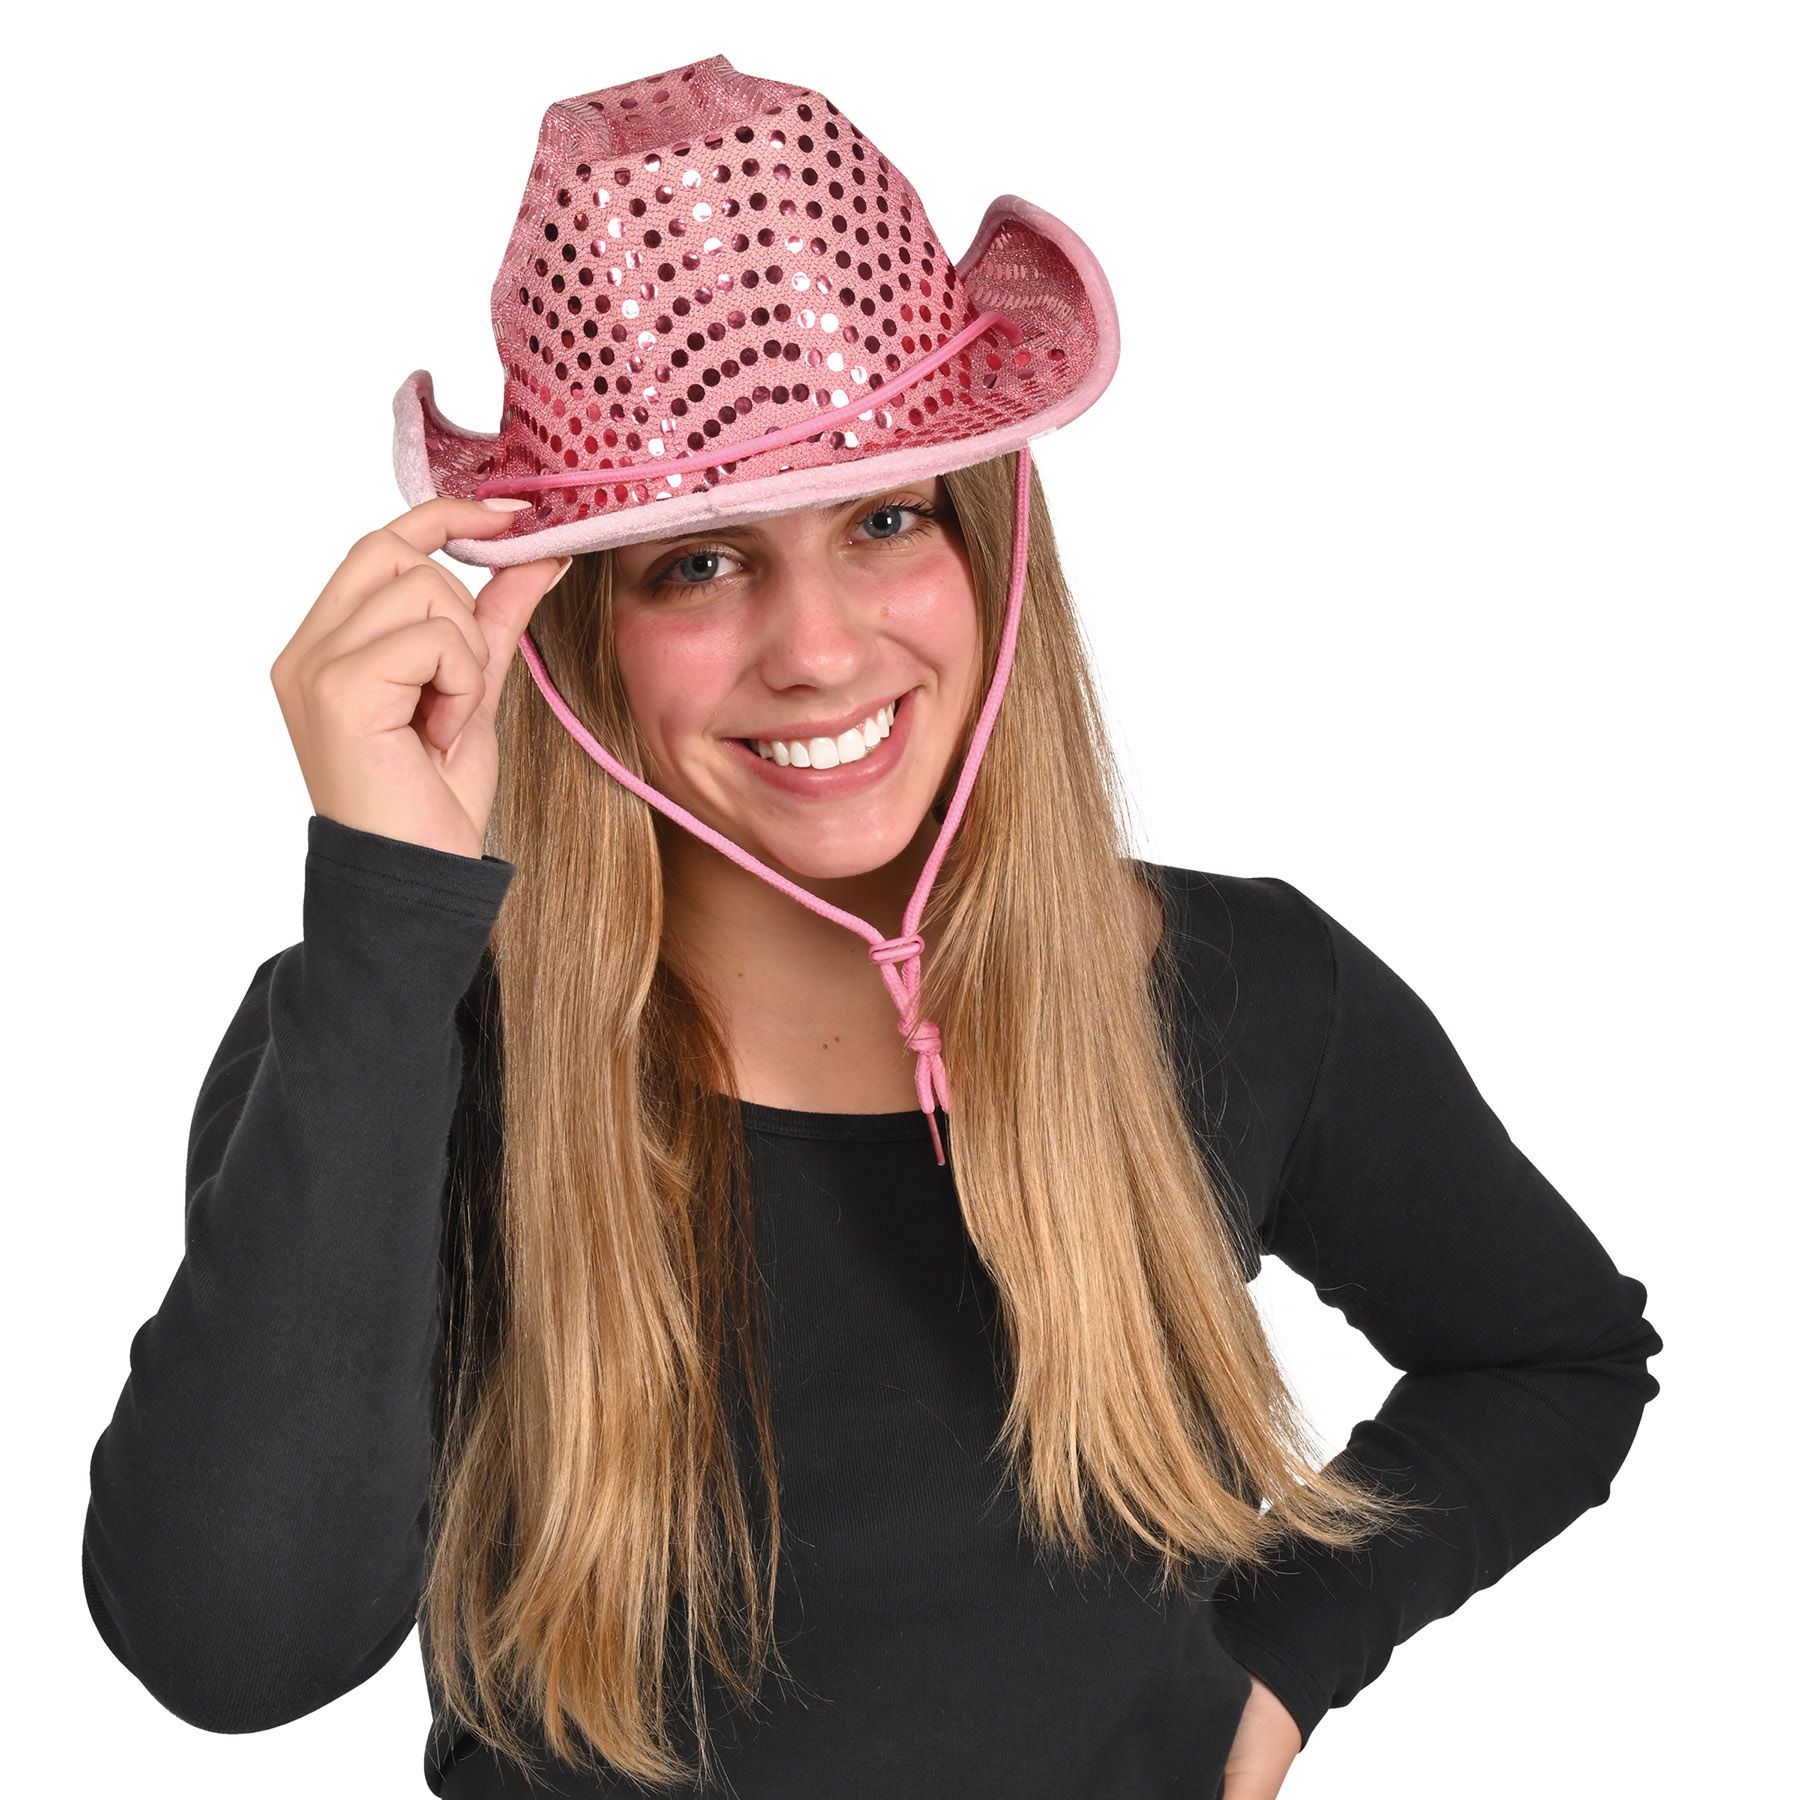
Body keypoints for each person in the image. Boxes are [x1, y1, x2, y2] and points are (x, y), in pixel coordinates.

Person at [80, 55, 1664, 1800]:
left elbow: (1555, 1359)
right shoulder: (401, 1038)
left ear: (992, 550)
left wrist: (1284, 1664)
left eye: (887, 520)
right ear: (574, 634)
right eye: (698, 561)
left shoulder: (1241, 992)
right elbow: (233, 1651)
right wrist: (390, 918)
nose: (821, 650)